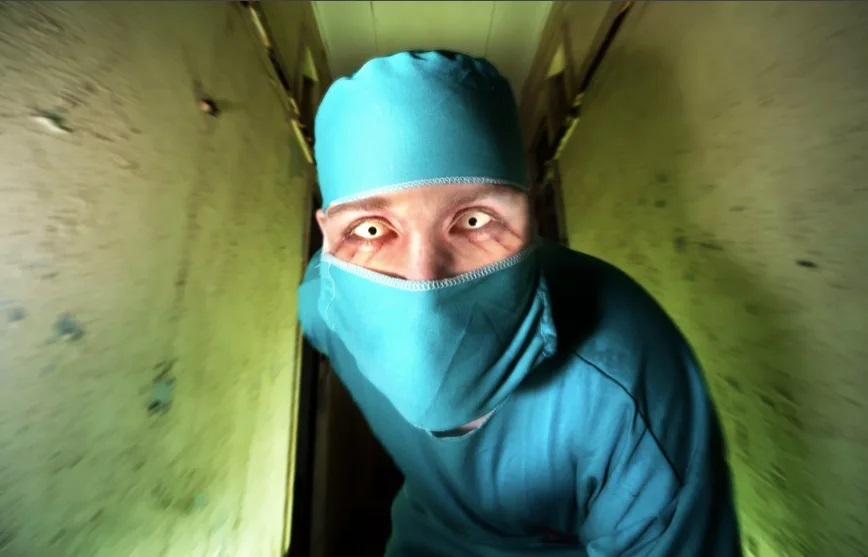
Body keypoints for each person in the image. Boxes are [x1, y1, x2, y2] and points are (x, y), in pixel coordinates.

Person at [298, 50, 742, 556]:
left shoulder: (629, 379)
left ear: (533, 220)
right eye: (371, 230)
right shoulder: (326, 306)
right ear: (327, 238)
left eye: (474, 220)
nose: (425, 284)